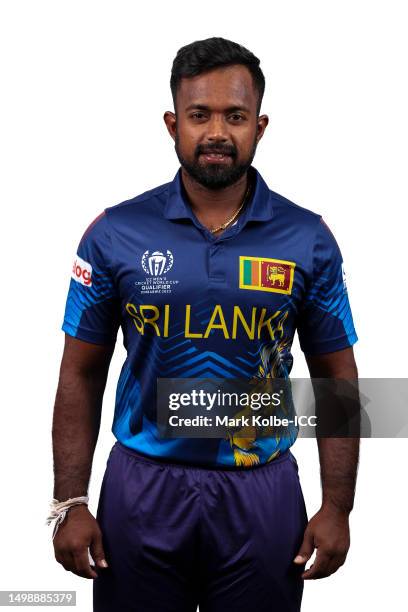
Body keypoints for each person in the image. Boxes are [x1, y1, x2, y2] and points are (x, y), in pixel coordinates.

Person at [51, 37, 360, 612]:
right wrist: (69, 502)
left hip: (259, 488)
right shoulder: (114, 233)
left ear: (260, 126)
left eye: (235, 116)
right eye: (199, 115)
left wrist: (337, 505)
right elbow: (81, 374)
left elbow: (335, 375)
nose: (217, 132)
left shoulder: (308, 239)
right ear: (173, 124)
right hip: (143, 486)